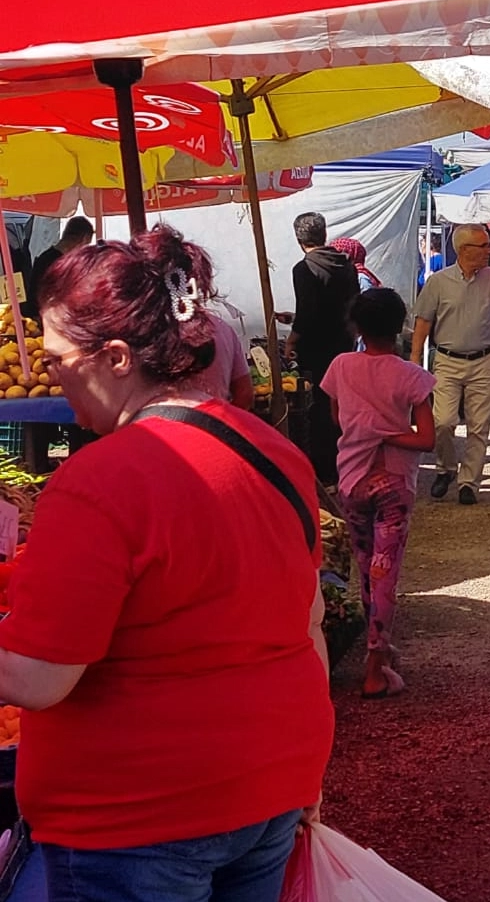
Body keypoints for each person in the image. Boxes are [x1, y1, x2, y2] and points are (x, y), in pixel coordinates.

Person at [0, 226, 331, 900]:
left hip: (136, 817)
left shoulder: (100, 481)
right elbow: (311, 621)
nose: (45, 375)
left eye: (57, 358)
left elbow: (38, 678)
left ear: (117, 357)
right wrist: (308, 774)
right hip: (270, 786)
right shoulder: (274, 451)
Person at [321, 289, 436, 700]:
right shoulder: (412, 376)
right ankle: (375, 664)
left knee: (367, 569)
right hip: (393, 483)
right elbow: (426, 439)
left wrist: (365, 430)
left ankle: (380, 649)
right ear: (399, 325)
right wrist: (387, 433)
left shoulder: (341, 366)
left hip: (352, 481)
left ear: (357, 327)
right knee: (386, 574)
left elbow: (338, 418)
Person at [411, 223, 490, 506]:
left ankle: (469, 483)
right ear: (463, 250)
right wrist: (414, 358)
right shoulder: (438, 282)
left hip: (484, 360)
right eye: (483, 246)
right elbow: (423, 320)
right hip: (447, 361)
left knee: (479, 425)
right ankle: (446, 468)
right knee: (443, 422)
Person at [283, 212, 359, 485]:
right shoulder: (347, 266)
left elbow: (309, 313)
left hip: (316, 349)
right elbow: (346, 307)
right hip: (344, 345)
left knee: (317, 407)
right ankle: (345, 464)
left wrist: (291, 340)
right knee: (341, 405)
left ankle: (324, 471)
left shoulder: (304, 269)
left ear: (299, 239)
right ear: (324, 234)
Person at [27, 216, 93, 313]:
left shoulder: (44, 257)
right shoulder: (59, 263)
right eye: (87, 244)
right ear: (84, 238)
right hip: (45, 315)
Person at [198, 307, 255, 410]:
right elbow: (244, 394)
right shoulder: (221, 327)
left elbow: (245, 393)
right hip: (214, 415)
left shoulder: (165, 327)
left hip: (168, 416)